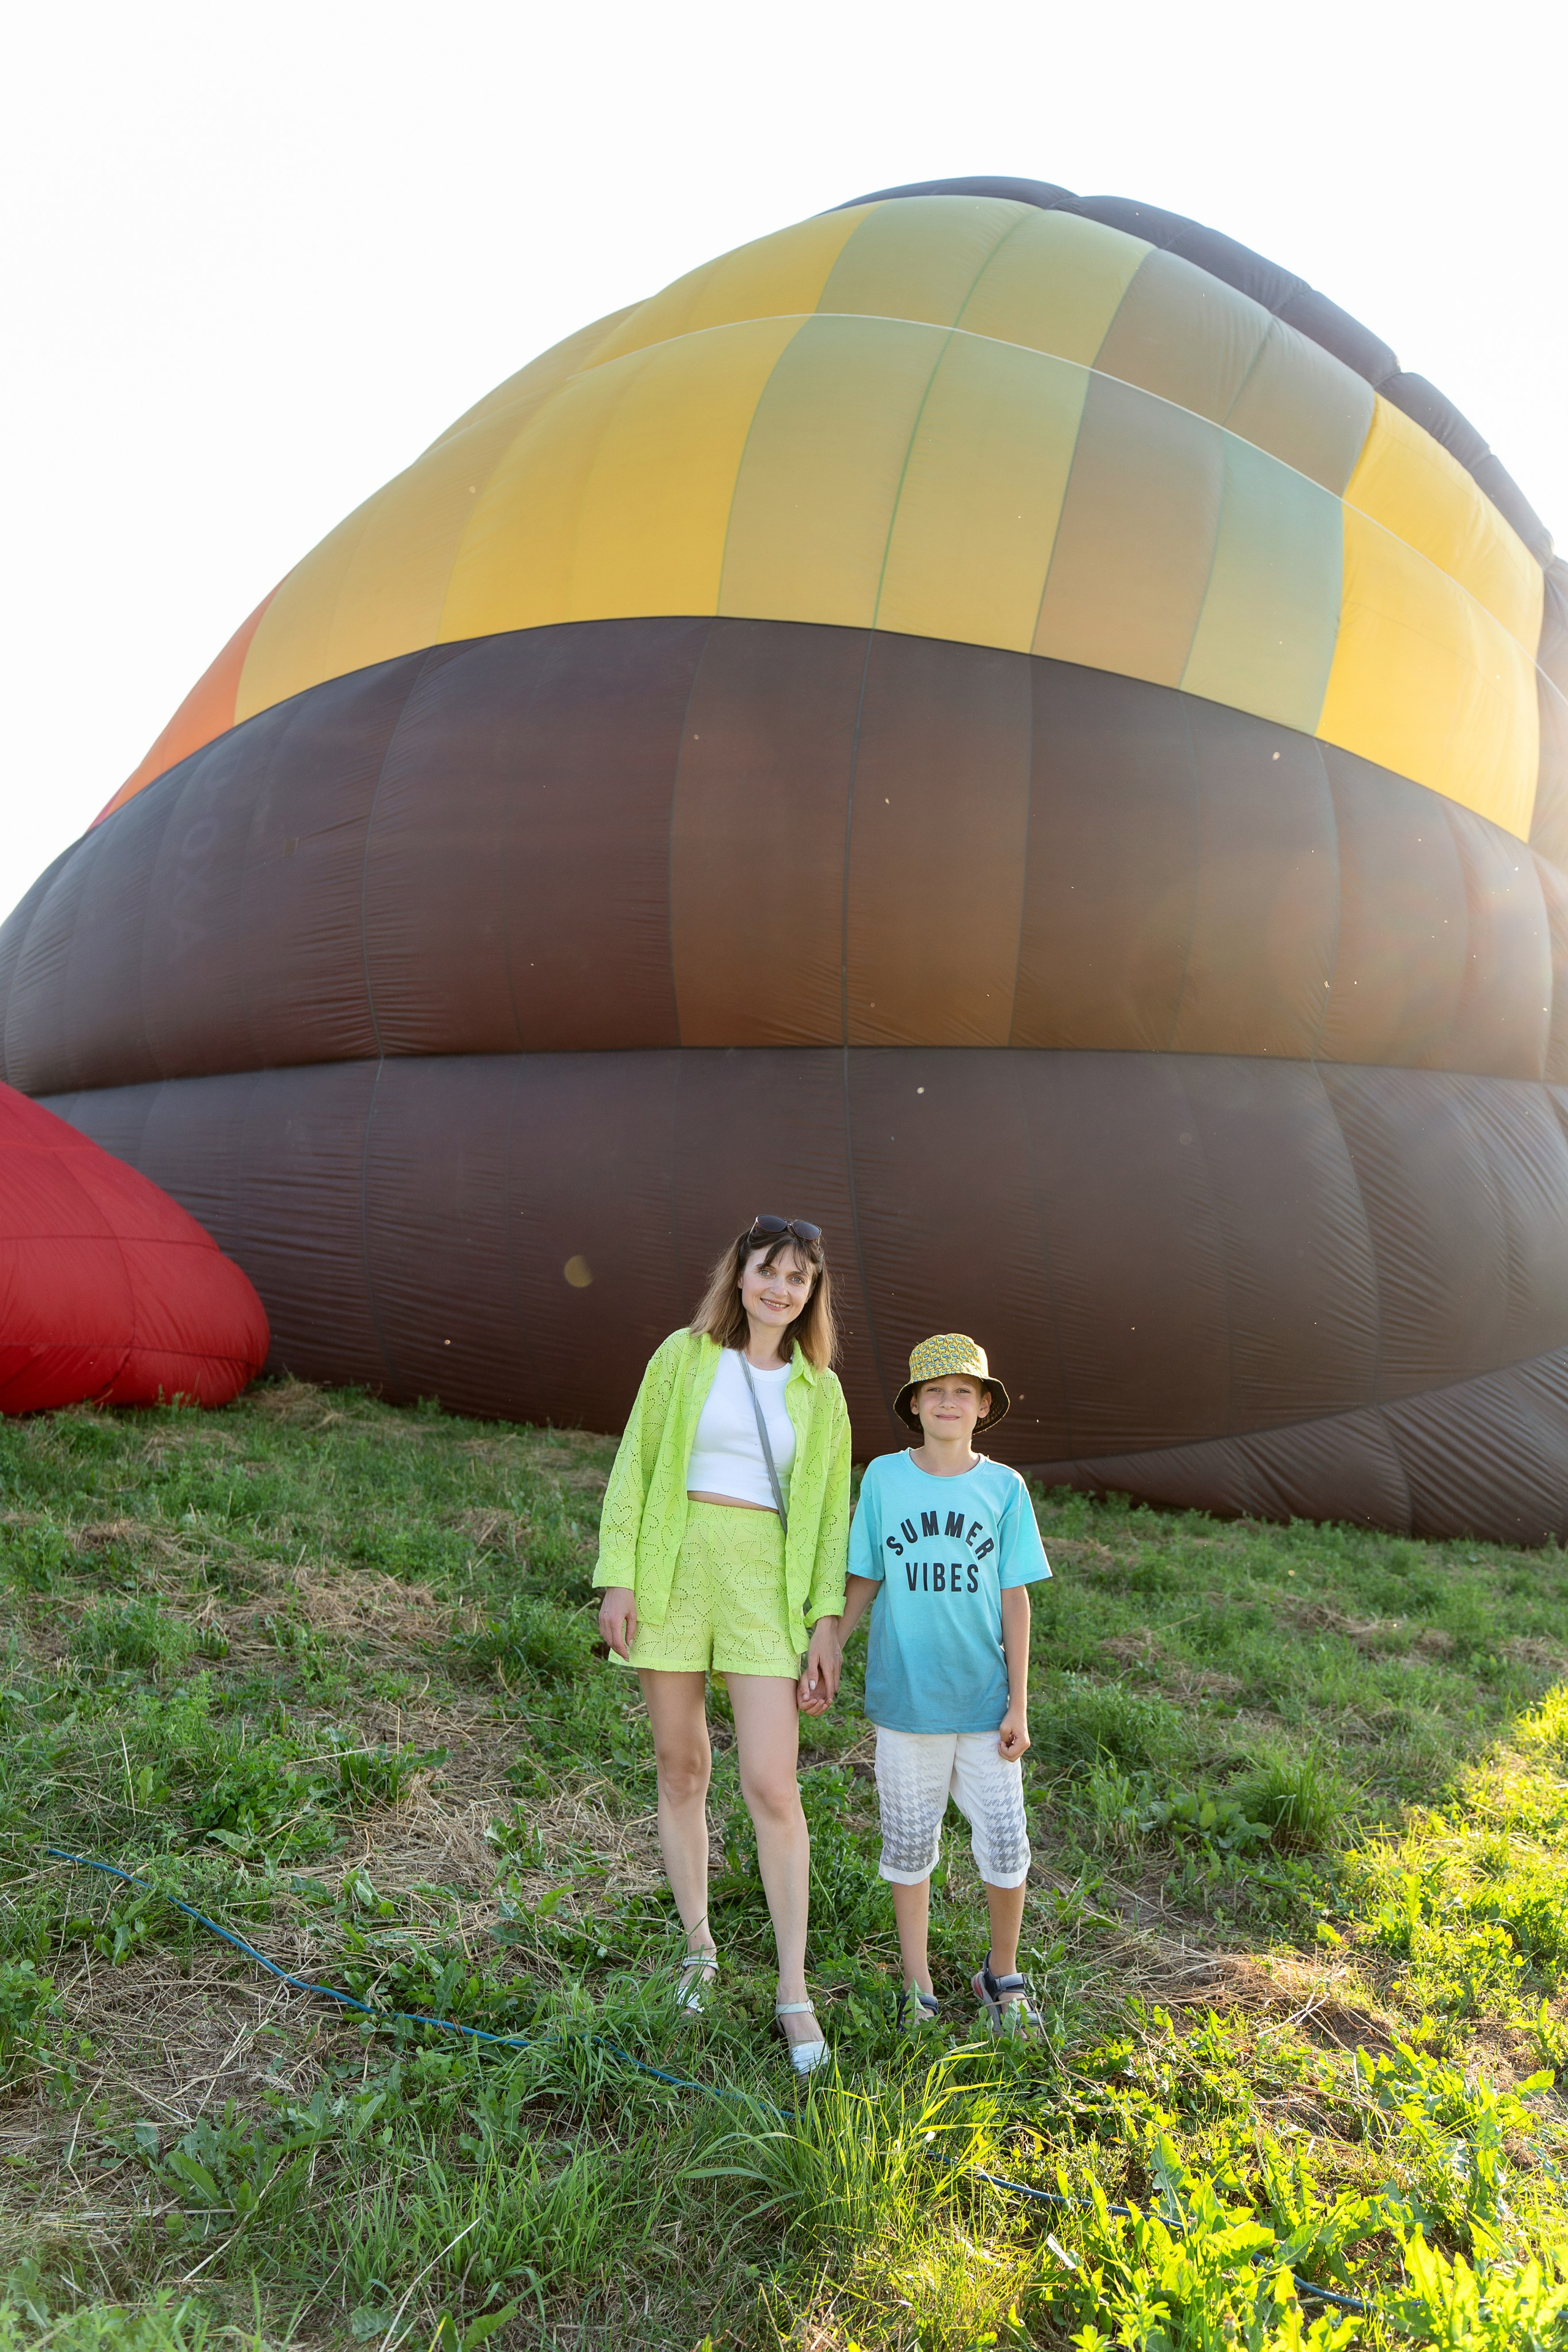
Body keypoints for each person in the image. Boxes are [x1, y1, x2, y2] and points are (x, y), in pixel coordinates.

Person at [594, 1216, 850, 2075]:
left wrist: (826, 1625)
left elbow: (827, 1523)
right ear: (739, 1276)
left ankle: (792, 1990)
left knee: (773, 1786)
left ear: (811, 1294)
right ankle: (699, 1951)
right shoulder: (684, 1355)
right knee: (681, 1767)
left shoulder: (821, 1391)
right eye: (768, 1272)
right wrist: (620, 1575)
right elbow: (636, 1464)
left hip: (763, 1587)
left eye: (798, 1280)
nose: (781, 1290)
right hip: (674, 1567)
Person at [837, 1333, 1051, 2036]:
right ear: (914, 1406)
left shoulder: (1003, 1488)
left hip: (985, 1704)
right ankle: (917, 1983)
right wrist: (831, 1644)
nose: (949, 1402)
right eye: (935, 1392)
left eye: (964, 1391)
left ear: (984, 1405)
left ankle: (1002, 1972)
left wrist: (1019, 1702)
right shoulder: (884, 1478)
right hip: (907, 1703)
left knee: (1004, 1841)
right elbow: (865, 1571)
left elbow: (1015, 1597)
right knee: (906, 1847)